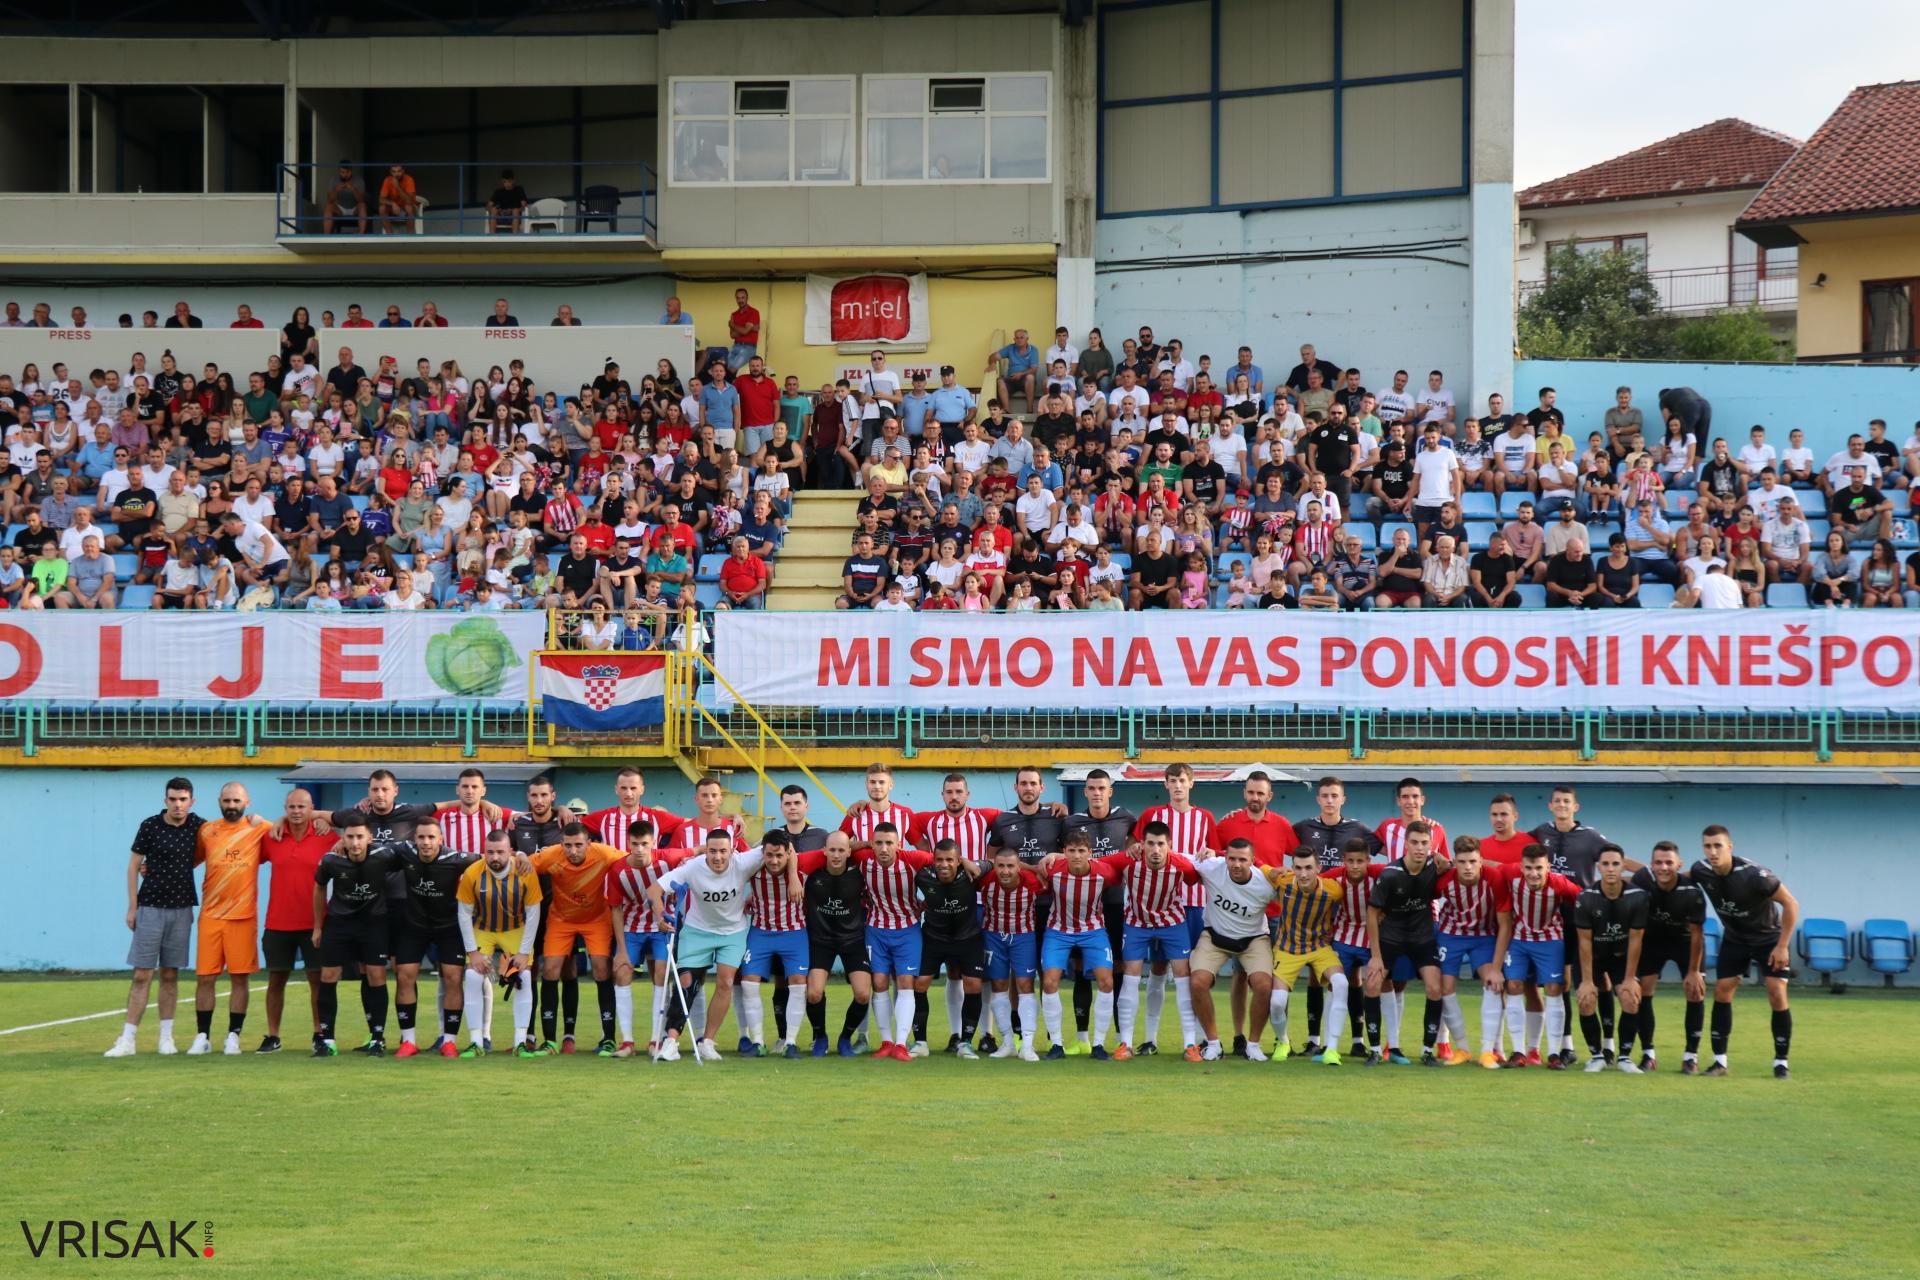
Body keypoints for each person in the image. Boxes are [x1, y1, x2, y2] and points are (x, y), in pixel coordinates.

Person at [105, 779, 207, 1058]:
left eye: (183, 799)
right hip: (149, 907)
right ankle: (127, 1039)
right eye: (173, 799)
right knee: (141, 974)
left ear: (192, 801)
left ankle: (166, 1038)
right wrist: (132, 907)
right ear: (165, 800)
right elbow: (133, 867)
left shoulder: (200, 826)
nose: (178, 804)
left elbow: (216, 845)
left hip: (182, 908)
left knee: (171, 974)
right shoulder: (150, 825)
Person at [644, 829, 766, 1062]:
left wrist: (791, 875)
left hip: (733, 932)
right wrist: (660, 916)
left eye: (723, 851)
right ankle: (670, 1042)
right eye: (712, 851)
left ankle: (707, 1042)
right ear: (705, 851)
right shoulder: (693, 867)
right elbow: (654, 890)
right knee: (686, 983)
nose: (718, 857)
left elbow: (781, 846)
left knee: (726, 982)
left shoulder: (744, 861)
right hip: (697, 930)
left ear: (732, 850)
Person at [1691, 825, 1798, 1078]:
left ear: (1730, 846)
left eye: (1718, 845)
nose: (1713, 851)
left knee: (1776, 991)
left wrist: (1782, 945)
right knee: (1722, 990)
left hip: (1768, 938)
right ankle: (1719, 1062)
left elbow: (1791, 903)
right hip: (1735, 938)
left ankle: (1781, 1063)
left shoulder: (1755, 875)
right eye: (1708, 846)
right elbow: (1676, 877)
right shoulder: (1701, 870)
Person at [1100, 821, 1200, 1060]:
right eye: (1151, 844)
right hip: (1137, 923)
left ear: (1170, 846)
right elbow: (1096, 864)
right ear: (1142, 845)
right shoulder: (1127, 860)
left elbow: (1200, 875)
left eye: (1161, 844)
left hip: (1172, 923)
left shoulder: (1182, 865)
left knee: (1183, 977)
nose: (1156, 850)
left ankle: (1190, 1044)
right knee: (1131, 976)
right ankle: (1125, 1043)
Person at [383, 818, 479, 1057]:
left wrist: (517, 855)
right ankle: (409, 1041)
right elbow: (370, 847)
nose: (426, 842)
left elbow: (490, 859)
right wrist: (342, 843)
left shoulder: (456, 858)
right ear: (414, 839)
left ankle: (449, 1041)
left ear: (440, 839)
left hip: (448, 926)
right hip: (413, 925)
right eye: (421, 837)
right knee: (404, 975)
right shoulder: (404, 851)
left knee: (453, 977)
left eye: (431, 837)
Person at [310, 813, 401, 1056]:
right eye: (350, 837)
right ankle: (327, 1040)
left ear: (369, 838)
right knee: (328, 975)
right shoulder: (330, 860)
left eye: (360, 836)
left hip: (374, 923)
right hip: (339, 923)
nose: (355, 842)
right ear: (343, 838)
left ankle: (377, 1038)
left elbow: (413, 855)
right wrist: (318, 926)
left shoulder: (384, 855)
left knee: (375, 974)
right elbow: (319, 887)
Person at [1187, 839, 1282, 1062]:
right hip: (1215, 937)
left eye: (1242, 859)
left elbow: (1296, 896)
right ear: (1225, 857)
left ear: (1252, 861)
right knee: (1197, 981)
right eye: (1232, 858)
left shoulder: (1266, 885)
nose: (1236, 864)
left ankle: (1253, 1045)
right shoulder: (1211, 866)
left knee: (1263, 984)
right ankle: (1213, 1044)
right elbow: (1179, 857)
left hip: (1253, 940)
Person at [256, 788, 333, 1053]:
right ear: (285, 808)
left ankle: (319, 1033)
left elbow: (354, 839)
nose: (297, 812)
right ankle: (273, 1036)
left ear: (312, 808)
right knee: (276, 980)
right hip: (277, 922)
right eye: (292, 807)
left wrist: (328, 821)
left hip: (315, 924)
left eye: (303, 807)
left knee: (317, 981)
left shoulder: (326, 836)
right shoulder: (272, 837)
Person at [455, 829, 544, 1056]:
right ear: (483, 852)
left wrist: (523, 953)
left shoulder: (525, 872)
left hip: (515, 929)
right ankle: (476, 1042)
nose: (495, 857)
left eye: (500, 852)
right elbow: (464, 914)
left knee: (523, 976)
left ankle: (520, 1042)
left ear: (511, 852)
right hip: (482, 929)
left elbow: (533, 914)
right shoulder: (472, 873)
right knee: (473, 976)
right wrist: (473, 952)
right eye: (490, 852)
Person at [1494, 845, 1582, 1069]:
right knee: (1513, 985)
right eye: (1529, 868)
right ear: (1521, 867)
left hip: (1550, 939)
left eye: (1539, 868)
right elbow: (1487, 867)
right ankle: (1518, 1052)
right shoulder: (1511, 874)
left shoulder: (1559, 882)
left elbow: (1583, 899)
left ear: (1548, 868)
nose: (1534, 873)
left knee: (1554, 988)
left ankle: (1553, 1054)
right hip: (1519, 939)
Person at [1625, 841, 1709, 1073]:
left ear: (1678, 864)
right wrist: (1630, 975)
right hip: (1653, 941)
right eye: (1659, 862)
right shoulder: (1643, 880)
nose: (1664, 867)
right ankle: (1648, 1054)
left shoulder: (1691, 891)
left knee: (1695, 991)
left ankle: (1690, 1057)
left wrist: (1693, 972)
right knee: (1643, 991)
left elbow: (1696, 934)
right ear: (1651, 865)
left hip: (1685, 942)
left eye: (1669, 862)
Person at [1266, 846, 1351, 1064]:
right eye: (1298, 868)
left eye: (1308, 868)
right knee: (1277, 1002)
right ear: (1292, 868)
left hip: (1318, 947)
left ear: (1318, 869)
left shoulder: (1333, 890)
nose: (1303, 874)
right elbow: (1259, 867)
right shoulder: (1283, 881)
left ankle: (1332, 1049)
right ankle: (1283, 1042)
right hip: (1287, 948)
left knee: (1341, 983)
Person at [910, 839, 989, 1058]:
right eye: (939, 860)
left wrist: (974, 864)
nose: (944, 864)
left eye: (949, 860)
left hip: (968, 938)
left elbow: (992, 864)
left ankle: (965, 1043)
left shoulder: (971, 873)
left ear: (959, 860)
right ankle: (920, 1043)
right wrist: (917, 902)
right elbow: (903, 887)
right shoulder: (923, 876)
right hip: (934, 938)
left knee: (973, 985)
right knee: (920, 984)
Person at [1572, 844, 1647, 1072]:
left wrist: (1630, 978)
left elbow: (1636, 939)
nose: (1611, 868)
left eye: (1615, 864)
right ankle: (1596, 1056)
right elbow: (1583, 942)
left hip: (1621, 956)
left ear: (1623, 866)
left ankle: (1624, 1057)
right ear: (1598, 868)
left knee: (1630, 997)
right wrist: (1586, 981)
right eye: (1605, 864)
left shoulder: (1638, 897)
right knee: (1586, 999)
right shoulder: (1585, 898)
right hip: (1592, 956)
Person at [738, 830, 812, 1058]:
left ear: (788, 853)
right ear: (762, 853)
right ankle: (758, 1042)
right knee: (748, 983)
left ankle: (791, 1042)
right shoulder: (753, 866)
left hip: (795, 932)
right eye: (769, 855)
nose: (774, 860)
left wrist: (795, 876)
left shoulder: (803, 865)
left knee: (799, 983)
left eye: (779, 855)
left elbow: (833, 851)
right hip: (761, 931)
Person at [802, 832, 876, 1057]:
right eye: (832, 850)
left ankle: (846, 1038)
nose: (836, 855)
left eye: (841, 850)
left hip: (852, 940)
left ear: (849, 852)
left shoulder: (859, 874)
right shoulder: (811, 875)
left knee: (863, 994)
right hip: (820, 940)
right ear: (824, 850)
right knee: (813, 994)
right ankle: (820, 1037)